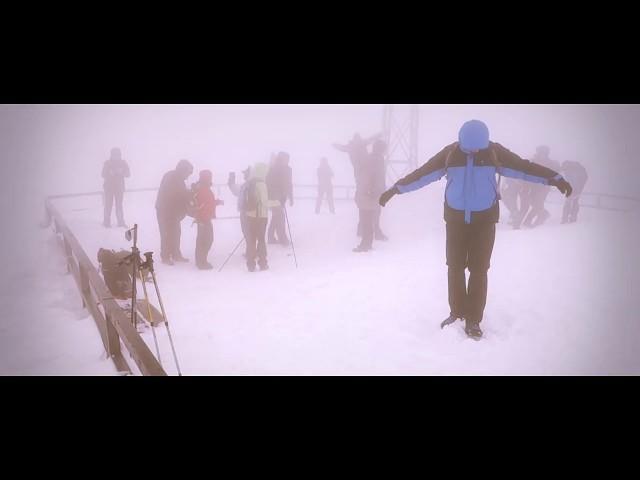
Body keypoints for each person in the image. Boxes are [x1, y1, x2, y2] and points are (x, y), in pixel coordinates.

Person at [378, 120, 572, 339]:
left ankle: (473, 320)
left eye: (478, 147)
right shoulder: (450, 154)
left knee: (479, 270)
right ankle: (457, 312)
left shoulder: (493, 152)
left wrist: (554, 178)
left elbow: (524, 168)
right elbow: (423, 173)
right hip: (455, 219)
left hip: (485, 220)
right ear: (461, 141)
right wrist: (395, 189)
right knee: (455, 267)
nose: (474, 151)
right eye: (470, 148)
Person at [333, 132, 382, 241]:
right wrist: (378, 135)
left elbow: (342, 148)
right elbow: (371, 138)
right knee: (368, 202)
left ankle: (362, 229)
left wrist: (335, 145)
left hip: (359, 175)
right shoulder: (362, 144)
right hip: (365, 173)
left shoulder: (351, 146)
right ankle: (369, 230)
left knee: (363, 203)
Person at [155, 159, 194, 265]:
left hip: (173, 211)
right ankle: (165, 256)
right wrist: (188, 193)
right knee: (166, 233)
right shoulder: (170, 177)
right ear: (182, 170)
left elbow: (180, 195)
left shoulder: (179, 179)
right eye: (188, 173)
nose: (188, 176)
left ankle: (176, 254)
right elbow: (173, 193)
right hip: (164, 210)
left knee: (176, 232)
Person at [352, 139, 387, 252]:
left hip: (368, 194)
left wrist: (369, 191)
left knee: (366, 220)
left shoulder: (372, 160)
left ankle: (365, 244)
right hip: (371, 194)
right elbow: (378, 178)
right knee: (369, 219)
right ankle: (367, 242)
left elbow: (367, 177)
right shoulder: (378, 160)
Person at [244, 162, 278, 272]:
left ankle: (250, 264)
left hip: (249, 215)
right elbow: (264, 202)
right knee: (261, 240)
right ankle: (263, 263)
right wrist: (278, 203)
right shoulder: (261, 184)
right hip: (261, 216)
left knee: (251, 240)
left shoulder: (250, 182)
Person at [521, 146, 561, 228]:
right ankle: (543, 214)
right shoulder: (534, 161)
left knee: (538, 203)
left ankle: (528, 221)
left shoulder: (550, 163)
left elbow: (556, 172)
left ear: (547, 153)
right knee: (533, 202)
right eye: (540, 152)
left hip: (544, 187)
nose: (542, 154)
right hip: (534, 186)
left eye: (544, 153)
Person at [192, 170, 224, 270]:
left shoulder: (201, 188)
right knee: (207, 240)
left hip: (202, 218)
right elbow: (205, 205)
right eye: (210, 177)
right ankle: (202, 262)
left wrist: (216, 202)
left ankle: (200, 261)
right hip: (204, 219)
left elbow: (206, 203)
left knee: (202, 240)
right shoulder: (204, 189)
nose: (211, 178)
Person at [266, 152, 294, 246]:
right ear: (280, 159)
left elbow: (289, 184)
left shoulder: (288, 170)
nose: (287, 161)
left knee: (276, 217)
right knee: (280, 217)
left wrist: (290, 197)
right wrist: (277, 196)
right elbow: (270, 184)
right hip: (274, 197)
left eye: (288, 159)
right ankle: (283, 239)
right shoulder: (274, 169)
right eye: (285, 159)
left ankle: (270, 237)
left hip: (282, 197)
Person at [102, 147, 130, 228]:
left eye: (117, 154)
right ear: (111, 155)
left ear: (120, 155)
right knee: (108, 205)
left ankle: (121, 222)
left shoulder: (123, 163)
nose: (116, 156)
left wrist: (122, 172)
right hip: (108, 188)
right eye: (114, 154)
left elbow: (128, 174)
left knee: (119, 205)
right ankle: (106, 222)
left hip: (119, 188)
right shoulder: (107, 163)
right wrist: (109, 173)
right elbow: (103, 174)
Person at [228, 166, 252, 254]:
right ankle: (252, 251)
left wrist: (231, 180)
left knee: (248, 233)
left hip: (246, 213)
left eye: (245, 173)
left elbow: (235, 190)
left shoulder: (245, 186)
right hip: (254, 213)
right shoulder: (255, 185)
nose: (244, 175)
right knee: (251, 233)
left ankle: (251, 252)